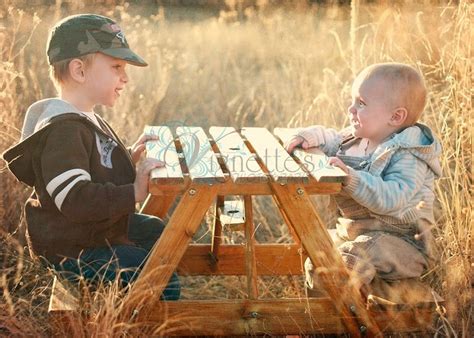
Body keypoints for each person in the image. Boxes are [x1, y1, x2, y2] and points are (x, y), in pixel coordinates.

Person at [2, 14, 179, 299]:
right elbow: (75, 198)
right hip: (70, 248)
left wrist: (129, 158)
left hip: (90, 231)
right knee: (150, 272)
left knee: (157, 232)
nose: (125, 77)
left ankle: (141, 294)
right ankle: (153, 318)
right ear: (79, 71)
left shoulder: (85, 117)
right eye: (116, 67)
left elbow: (95, 165)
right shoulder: (63, 130)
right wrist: (133, 191)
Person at [286, 63, 441, 290]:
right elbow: (332, 140)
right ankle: (328, 309)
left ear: (396, 116)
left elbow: (393, 197)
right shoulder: (360, 138)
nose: (351, 109)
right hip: (358, 232)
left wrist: (351, 178)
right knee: (317, 253)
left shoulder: (409, 155)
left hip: (402, 243)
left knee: (351, 259)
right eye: (353, 101)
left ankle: (352, 312)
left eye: (361, 103)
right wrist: (310, 137)